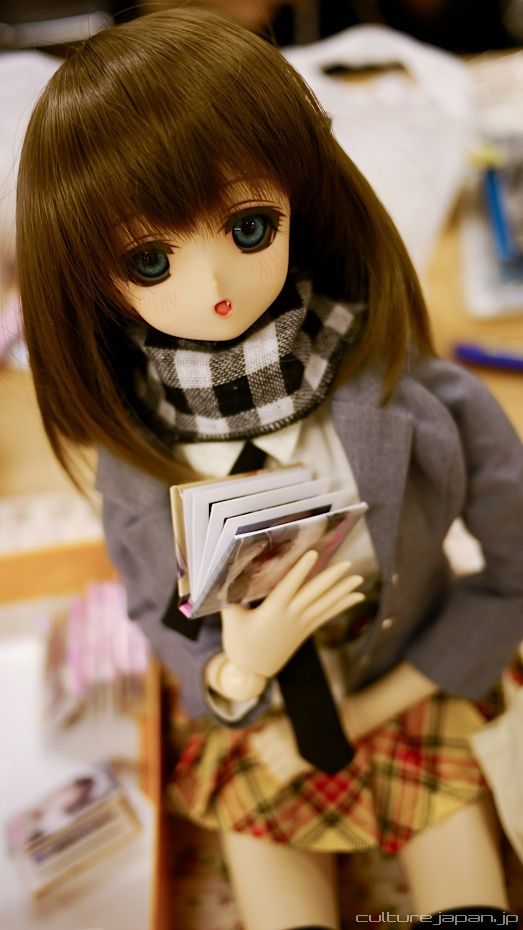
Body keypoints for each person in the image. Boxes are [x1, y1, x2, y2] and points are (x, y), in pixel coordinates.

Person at [16, 9, 523, 929]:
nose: (211, 287)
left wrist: (376, 708)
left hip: (410, 677)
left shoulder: (417, 399)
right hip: (257, 718)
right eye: (149, 259)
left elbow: (513, 574)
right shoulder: (138, 462)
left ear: (301, 202)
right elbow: (157, 614)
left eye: (249, 227)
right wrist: (237, 675)